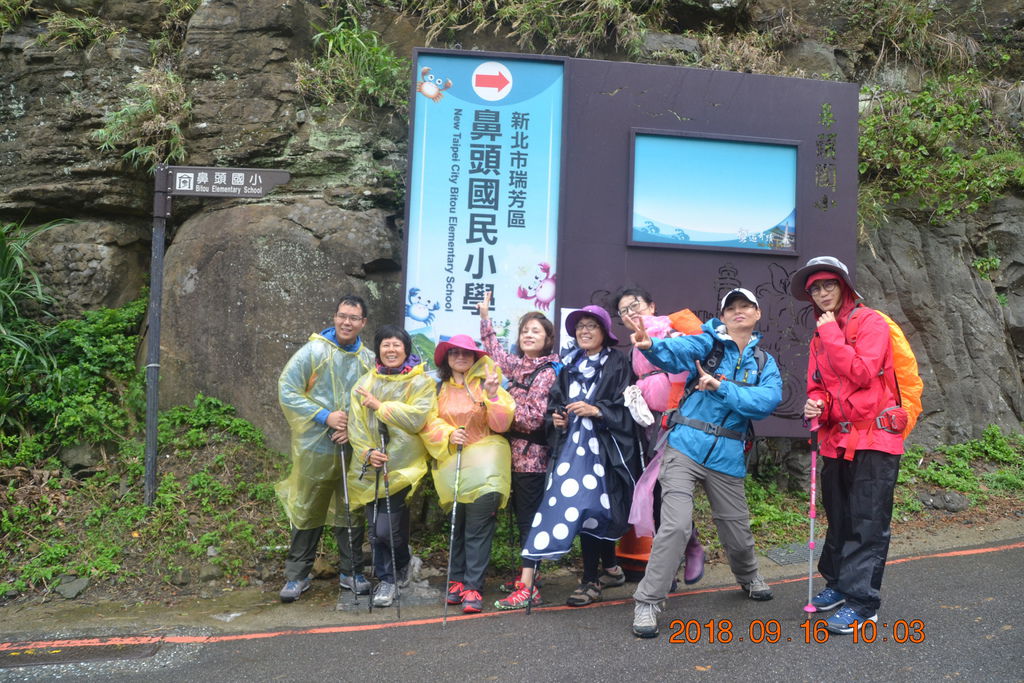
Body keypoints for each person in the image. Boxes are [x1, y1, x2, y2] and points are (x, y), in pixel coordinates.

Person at [629, 288, 782, 638]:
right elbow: (679, 351)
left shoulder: (764, 362)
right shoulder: (707, 344)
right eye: (732, 308)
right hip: (685, 446)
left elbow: (766, 401)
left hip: (728, 455)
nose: (738, 312)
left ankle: (748, 576)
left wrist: (721, 388)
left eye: (746, 307)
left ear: (757, 314)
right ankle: (648, 601)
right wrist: (652, 347)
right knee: (676, 525)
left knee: (737, 530)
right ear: (723, 315)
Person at [791, 256, 906, 635]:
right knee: (839, 517)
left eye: (828, 285)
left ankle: (863, 602)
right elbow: (818, 387)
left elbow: (861, 371)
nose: (822, 293)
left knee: (867, 521)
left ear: (844, 286)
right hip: (836, 439)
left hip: (875, 436)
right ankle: (838, 585)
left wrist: (832, 337)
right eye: (815, 289)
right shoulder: (820, 336)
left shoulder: (870, 323)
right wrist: (815, 406)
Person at [519, 304, 641, 607]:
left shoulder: (617, 363)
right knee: (586, 507)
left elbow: (628, 406)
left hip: (605, 450)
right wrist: (557, 420)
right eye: (580, 326)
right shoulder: (569, 363)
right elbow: (554, 407)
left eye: (592, 326)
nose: (584, 331)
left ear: (604, 332)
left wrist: (597, 410)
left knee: (600, 509)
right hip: (572, 451)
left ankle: (598, 576)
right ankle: (597, 575)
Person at [275, 295, 375, 603]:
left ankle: (351, 571)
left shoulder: (369, 360)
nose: (347, 322)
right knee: (308, 507)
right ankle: (297, 574)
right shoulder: (314, 351)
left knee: (351, 508)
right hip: (315, 445)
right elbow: (287, 389)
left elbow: (375, 403)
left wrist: (353, 431)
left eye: (353, 318)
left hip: (352, 448)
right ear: (334, 317)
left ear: (363, 323)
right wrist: (325, 416)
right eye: (342, 316)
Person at [476, 292, 561, 611]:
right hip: (511, 456)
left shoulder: (547, 371)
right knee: (520, 518)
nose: (528, 334)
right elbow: (494, 351)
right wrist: (485, 318)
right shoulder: (518, 365)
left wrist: (500, 405)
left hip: (534, 461)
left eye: (536, 331)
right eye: (525, 330)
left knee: (529, 521)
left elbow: (534, 418)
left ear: (548, 339)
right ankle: (527, 578)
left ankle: (529, 588)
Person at [614, 287, 704, 586]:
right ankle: (674, 560)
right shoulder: (631, 348)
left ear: (652, 306)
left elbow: (687, 369)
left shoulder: (670, 330)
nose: (631, 313)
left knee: (670, 491)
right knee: (654, 496)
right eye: (624, 311)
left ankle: (689, 549)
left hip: (676, 422)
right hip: (647, 426)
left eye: (635, 305)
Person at [421, 334, 514, 613]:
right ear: (446, 359)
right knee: (457, 525)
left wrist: (494, 394)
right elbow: (427, 422)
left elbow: (501, 423)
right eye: (454, 353)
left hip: (486, 464)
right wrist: (449, 434)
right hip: (453, 465)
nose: (460, 357)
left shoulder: (486, 384)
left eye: (466, 353)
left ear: (475, 358)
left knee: (477, 527)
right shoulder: (437, 388)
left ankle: (473, 586)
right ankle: (456, 580)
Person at [346, 325, 435, 608]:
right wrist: (366, 452)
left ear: (406, 350)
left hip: (403, 466)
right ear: (379, 350)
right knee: (375, 529)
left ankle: (399, 567)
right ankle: (388, 576)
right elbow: (356, 426)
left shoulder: (420, 383)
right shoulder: (364, 383)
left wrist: (380, 406)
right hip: (374, 463)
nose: (391, 349)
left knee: (388, 529)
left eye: (397, 345)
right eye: (386, 345)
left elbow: (417, 418)